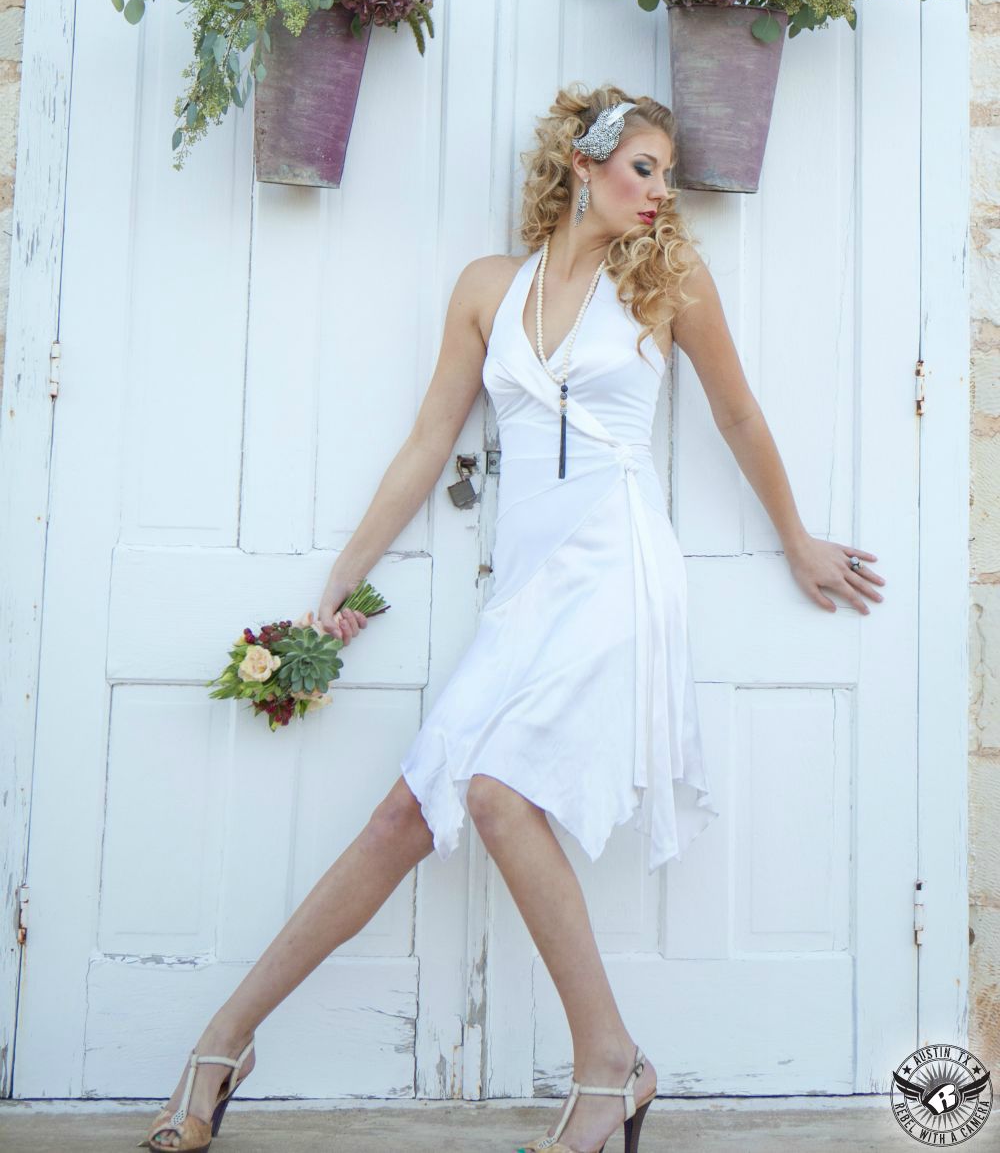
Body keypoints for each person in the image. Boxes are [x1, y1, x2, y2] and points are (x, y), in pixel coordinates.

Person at [138, 84, 886, 1153]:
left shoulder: (667, 279)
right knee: (406, 817)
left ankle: (602, 1070)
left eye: (668, 173)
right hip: (524, 586)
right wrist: (343, 580)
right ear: (581, 167)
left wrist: (797, 538)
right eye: (644, 167)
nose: (660, 191)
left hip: (616, 567)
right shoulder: (489, 288)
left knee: (494, 794)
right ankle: (223, 1045)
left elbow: (735, 412)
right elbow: (425, 443)